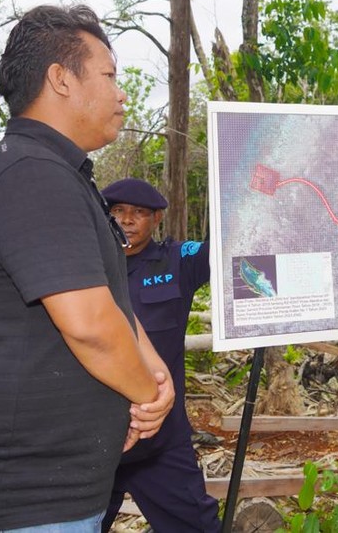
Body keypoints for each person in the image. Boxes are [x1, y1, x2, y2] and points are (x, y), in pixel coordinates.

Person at [0, 5, 175, 531]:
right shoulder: (31, 173)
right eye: (108, 76)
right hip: (14, 503)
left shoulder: (59, 174)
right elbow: (91, 328)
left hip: (49, 496)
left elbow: (108, 304)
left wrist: (154, 370)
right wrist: (148, 399)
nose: (121, 93)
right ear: (60, 79)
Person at [99, 178, 219, 532]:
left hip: (161, 438)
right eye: (118, 211)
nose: (127, 220)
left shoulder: (177, 261)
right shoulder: (81, 267)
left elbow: (225, 248)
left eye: (139, 213)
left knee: (196, 525)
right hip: (94, 439)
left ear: (157, 219)